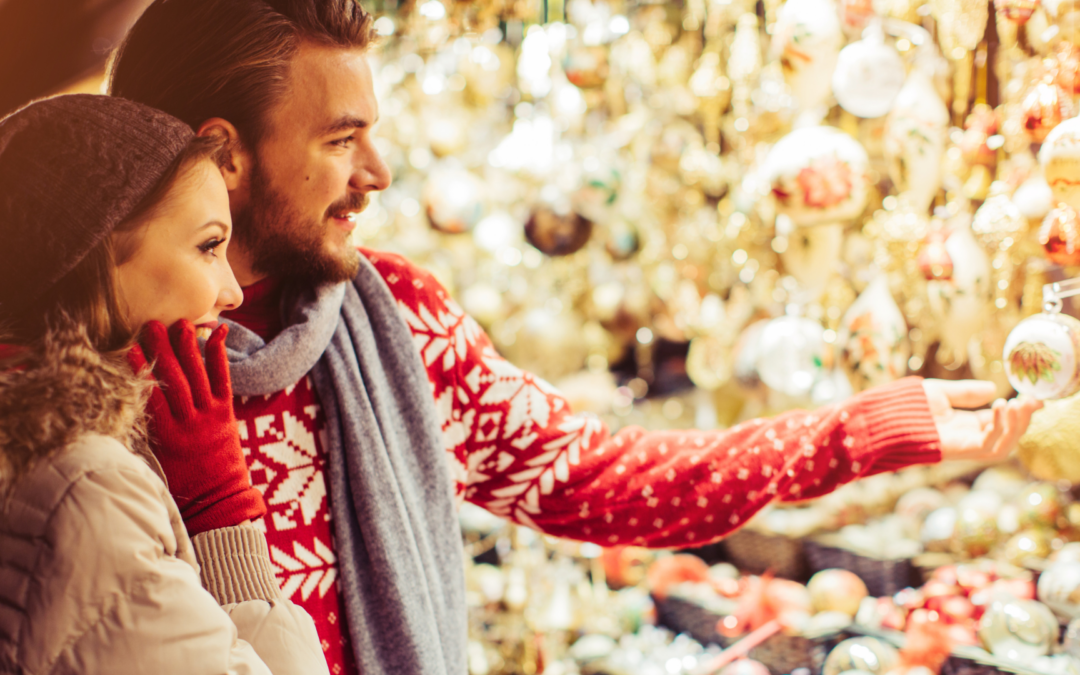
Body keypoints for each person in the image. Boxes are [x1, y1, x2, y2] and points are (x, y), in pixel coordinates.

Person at [107, 2, 1042, 674]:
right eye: (341, 139)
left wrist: (866, 431)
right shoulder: (84, 373)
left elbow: (604, 477)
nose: (379, 173)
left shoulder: (396, 315)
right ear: (224, 152)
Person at [0, 94, 329, 675]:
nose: (231, 293)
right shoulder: (87, 487)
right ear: (95, 259)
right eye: (208, 246)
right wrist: (221, 514)